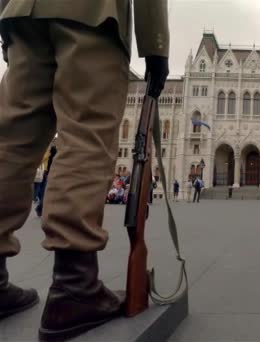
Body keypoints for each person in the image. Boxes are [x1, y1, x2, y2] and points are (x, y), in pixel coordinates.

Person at [0, 1, 170, 340]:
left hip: (23, 14)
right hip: (91, 14)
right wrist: (155, 47)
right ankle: (74, 287)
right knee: (86, 134)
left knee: (10, 141)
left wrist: (8, 25)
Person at [35, 145, 57, 217]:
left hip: (50, 172)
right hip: (48, 172)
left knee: (45, 190)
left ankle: (41, 207)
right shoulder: (51, 151)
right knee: (45, 190)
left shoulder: (53, 150)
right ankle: (41, 207)